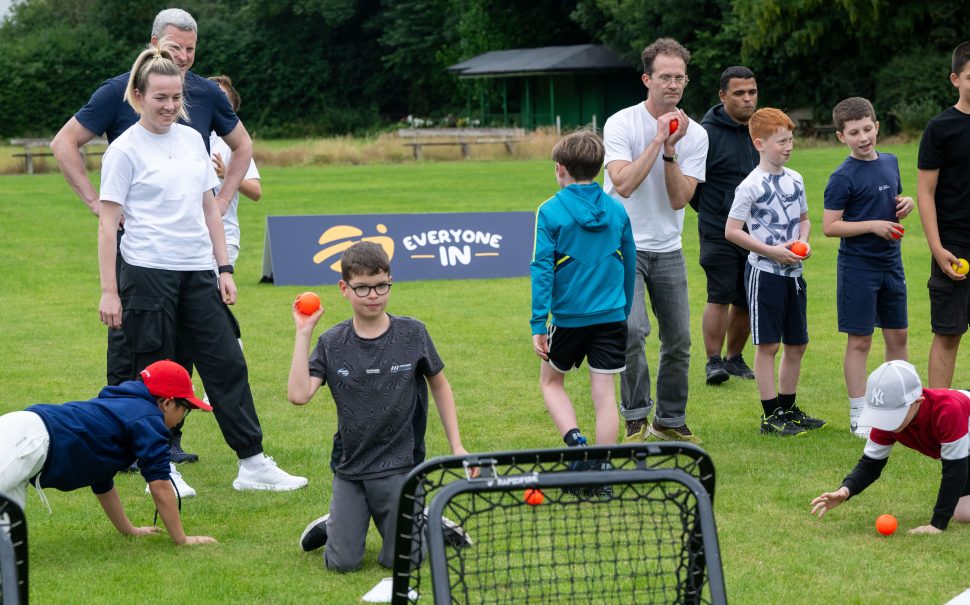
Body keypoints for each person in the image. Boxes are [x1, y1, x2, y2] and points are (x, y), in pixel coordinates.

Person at [96, 46, 306, 494]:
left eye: (176, 98)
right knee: (155, 373)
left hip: (199, 272)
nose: (170, 106)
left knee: (226, 362)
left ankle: (252, 463)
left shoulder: (193, 140)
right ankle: (161, 468)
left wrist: (224, 268)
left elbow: (210, 208)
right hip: (146, 274)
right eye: (160, 98)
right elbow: (108, 225)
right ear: (138, 95)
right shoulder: (123, 151)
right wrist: (109, 292)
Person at [50, 8, 255, 464]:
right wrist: (94, 201)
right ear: (153, 45)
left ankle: (171, 447)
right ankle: (127, 447)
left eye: (190, 50)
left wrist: (220, 202)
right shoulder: (118, 93)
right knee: (134, 350)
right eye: (174, 47)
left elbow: (243, 146)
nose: (182, 57)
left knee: (195, 350)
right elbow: (63, 142)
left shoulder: (202, 92)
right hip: (139, 252)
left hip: (192, 252)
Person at [287, 242, 472, 571]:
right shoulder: (331, 342)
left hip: (400, 465)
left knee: (401, 561)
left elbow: (440, 385)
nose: (373, 295)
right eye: (362, 288)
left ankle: (428, 519)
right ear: (344, 288)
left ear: (390, 281)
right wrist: (304, 333)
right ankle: (338, 520)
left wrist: (457, 445)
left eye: (381, 285)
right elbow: (299, 395)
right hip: (351, 466)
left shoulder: (412, 333)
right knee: (342, 564)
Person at [603, 37, 708, 444]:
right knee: (631, 331)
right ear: (647, 79)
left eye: (679, 78)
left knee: (679, 339)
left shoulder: (695, 135)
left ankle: (670, 419)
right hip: (621, 244)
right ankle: (635, 415)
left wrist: (670, 150)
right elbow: (624, 184)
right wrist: (655, 139)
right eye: (665, 77)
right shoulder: (621, 123)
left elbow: (681, 197)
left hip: (668, 247)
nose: (673, 85)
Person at [0, 360, 216, 546]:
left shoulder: (125, 406)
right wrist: (182, 539)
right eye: (185, 409)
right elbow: (160, 486)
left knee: (6, 540)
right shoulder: (149, 419)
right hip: (29, 440)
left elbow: (102, 480)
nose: (183, 417)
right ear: (168, 403)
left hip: (26, 433)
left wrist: (128, 530)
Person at [530, 128, 636, 453]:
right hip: (612, 317)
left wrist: (538, 323)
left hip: (569, 319)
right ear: (600, 167)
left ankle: (575, 443)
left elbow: (542, 269)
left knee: (550, 382)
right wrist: (624, 308)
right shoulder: (617, 210)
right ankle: (602, 472)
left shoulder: (549, 211)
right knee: (605, 395)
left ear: (559, 168)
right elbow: (630, 265)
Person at [724, 108, 826, 436]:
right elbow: (732, 231)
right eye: (781, 141)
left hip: (794, 275)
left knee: (797, 344)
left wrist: (804, 242)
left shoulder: (795, 179)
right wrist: (771, 252)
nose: (788, 146)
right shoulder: (750, 186)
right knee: (768, 345)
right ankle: (770, 415)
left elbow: (805, 220)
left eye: (790, 140)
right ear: (759, 143)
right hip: (764, 273)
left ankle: (789, 407)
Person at [822, 97, 914, 438]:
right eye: (853, 132)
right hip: (858, 268)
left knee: (898, 335)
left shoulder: (890, 161)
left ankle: (901, 404)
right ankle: (859, 414)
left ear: (876, 126)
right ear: (840, 137)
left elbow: (894, 201)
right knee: (860, 341)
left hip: (893, 264)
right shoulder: (841, 177)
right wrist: (873, 225)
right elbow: (830, 226)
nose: (863, 137)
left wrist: (907, 204)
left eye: (867, 129)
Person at [810, 360, 970, 534]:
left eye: (894, 414)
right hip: (965, 451)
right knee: (962, 514)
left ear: (918, 401)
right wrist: (845, 490)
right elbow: (871, 464)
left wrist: (936, 524)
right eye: (883, 414)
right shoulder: (887, 423)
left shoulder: (948, 411)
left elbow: (954, 471)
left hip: (963, 452)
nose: (887, 422)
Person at [691, 66, 759, 385]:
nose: (747, 99)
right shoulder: (704, 135)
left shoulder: (761, 127)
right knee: (719, 294)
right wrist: (714, 210)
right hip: (717, 227)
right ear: (723, 96)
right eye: (739, 93)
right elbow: (693, 186)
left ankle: (735, 359)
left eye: (752, 92)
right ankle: (713, 361)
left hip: (757, 230)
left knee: (747, 296)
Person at [917, 41, 970, 389]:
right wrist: (937, 248)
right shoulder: (941, 128)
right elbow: (926, 192)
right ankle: (938, 419)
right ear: (955, 79)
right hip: (955, 245)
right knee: (948, 334)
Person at [208, 75, 262, 268]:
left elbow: (256, 192)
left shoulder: (232, 143)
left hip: (224, 236)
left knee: (212, 296)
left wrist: (228, 174)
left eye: (219, 97)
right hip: (188, 239)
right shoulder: (188, 136)